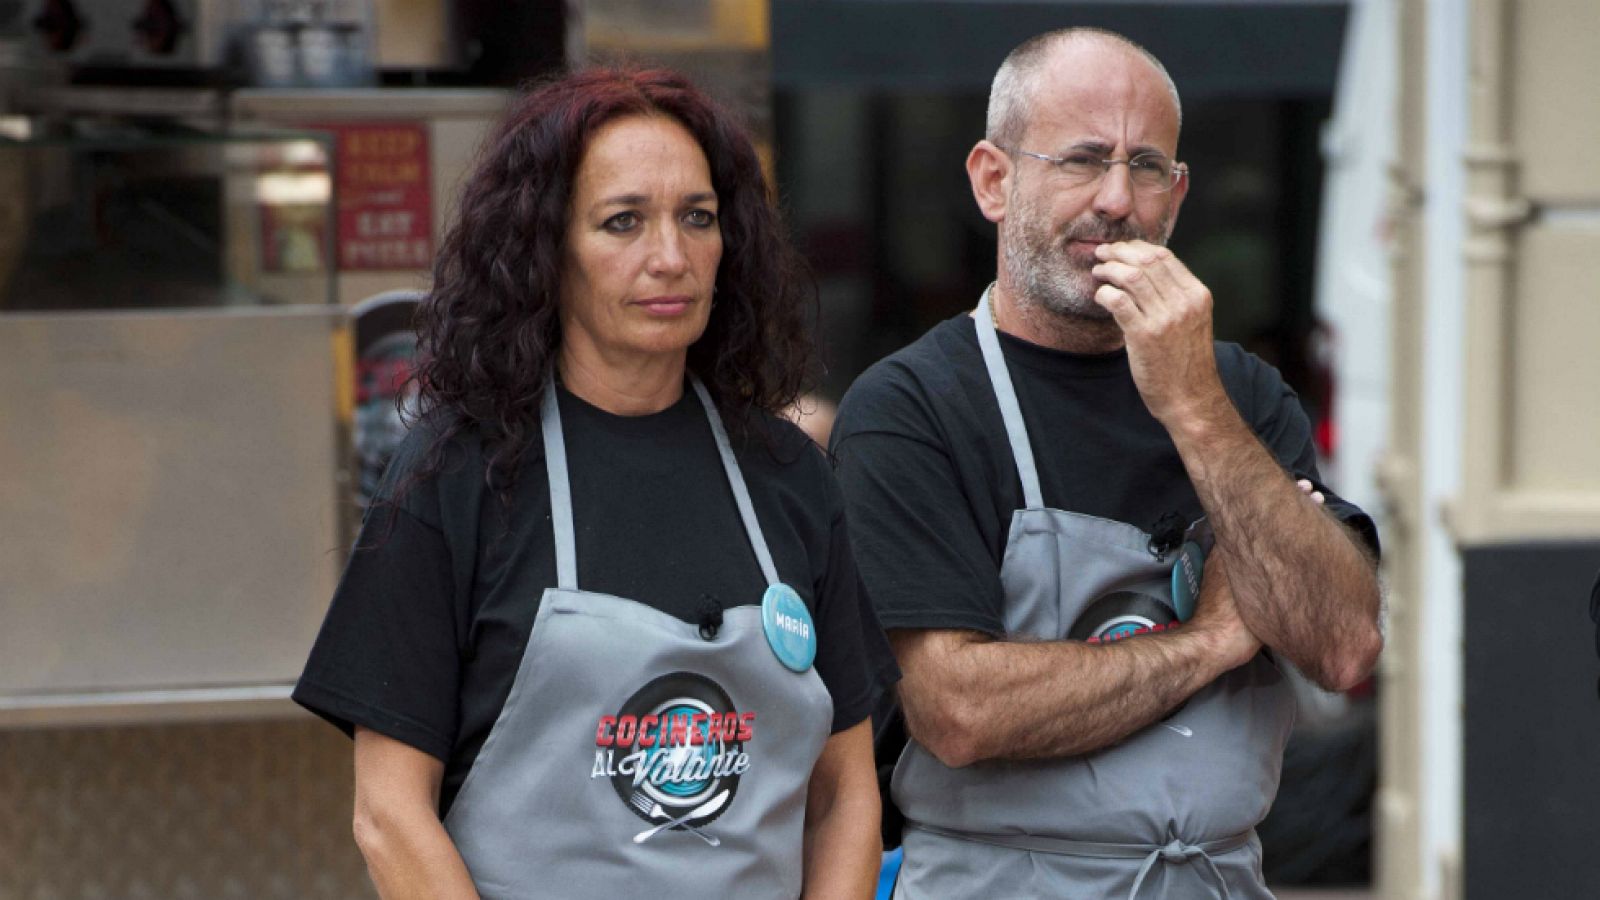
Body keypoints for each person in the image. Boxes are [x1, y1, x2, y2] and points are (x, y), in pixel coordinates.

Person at [294, 67, 898, 900]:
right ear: (547, 252)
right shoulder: (458, 474)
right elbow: (389, 814)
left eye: (698, 218)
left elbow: (844, 796)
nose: (670, 257)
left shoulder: (790, 474)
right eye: (623, 222)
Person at [830, 28, 1383, 899]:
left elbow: (1344, 646)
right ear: (993, 180)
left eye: (1147, 166)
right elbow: (960, 710)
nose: (1118, 200)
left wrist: (1196, 409)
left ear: (1178, 195)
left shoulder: (1238, 392)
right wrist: (1209, 643)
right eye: (1083, 161)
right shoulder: (913, 407)